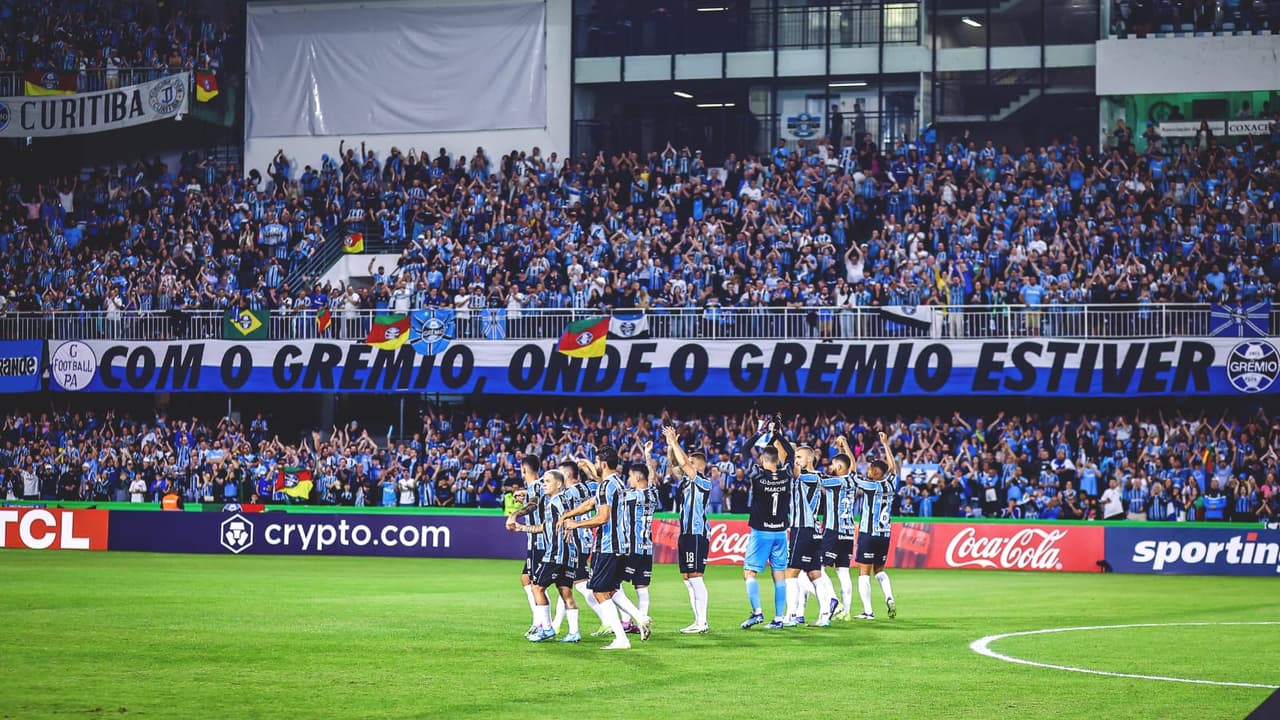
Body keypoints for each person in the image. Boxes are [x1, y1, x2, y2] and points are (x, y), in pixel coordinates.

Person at [560, 447, 650, 650]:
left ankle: (621, 638)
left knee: (599, 591)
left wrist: (575, 524)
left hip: (609, 545)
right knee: (611, 589)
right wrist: (569, 515)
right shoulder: (615, 483)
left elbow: (602, 517)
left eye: (596, 461)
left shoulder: (606, 485)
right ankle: (640, 618)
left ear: (602, 463)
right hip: (622, 544)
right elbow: (591, 503)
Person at [506, 469, 580, 643]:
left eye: (547, 481)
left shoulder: (557, 502)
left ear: (559, 484)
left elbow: (568, 518)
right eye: (543, 481)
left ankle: (546, 628)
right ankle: (574, 632)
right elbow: (545, 527)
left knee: (537, 587)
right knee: (566, 592)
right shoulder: (555, 502)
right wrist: (522, 528)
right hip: (569, 554)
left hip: (556, 553)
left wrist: (571, 525)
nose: (544, 485)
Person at [740, 413, 793, 630]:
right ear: (778, 461)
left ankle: (757, 612)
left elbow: (744, 450)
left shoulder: (757, 476)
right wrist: (778, 435)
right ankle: (779, 617)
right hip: (781, 533)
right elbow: (790, 452)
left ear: (762, 461)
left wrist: (761, 432)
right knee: (779, 574)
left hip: (761, 532)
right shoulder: (787, 474)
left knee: (749, 573)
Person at [784, 444, 840, 627]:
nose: (797, 460)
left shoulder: (810, 477)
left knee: (791, 573)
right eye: (797, 457)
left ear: (809, 459)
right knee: (814, 574)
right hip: (815, 531)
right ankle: (824, 615)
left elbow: (791, 468)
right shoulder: (817, 477)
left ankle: (790, 616)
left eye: (800, 457)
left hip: (802, 529)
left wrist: (787, 451)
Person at [664, 425, 712, 634]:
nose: (687, 465)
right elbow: (674, 463)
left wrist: (675, 442)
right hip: (685, 533)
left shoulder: (703, 481)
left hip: (696, 533)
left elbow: (682, 462)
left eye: (691, 463)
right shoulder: (685, 482)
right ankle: (697, 620)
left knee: (695, 576)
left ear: (699, 466)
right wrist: (669, 445)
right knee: (687, 578)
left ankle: (702, 622)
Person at [850, 431, 898, 620]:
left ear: (874, 472)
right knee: (880, 571)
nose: (867, 470)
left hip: (868, 533)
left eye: (870, 468)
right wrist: (886, 444)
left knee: (863, 573)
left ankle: (868, 611)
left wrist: (846, 450)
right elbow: (892, 468)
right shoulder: (891, 484)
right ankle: (889, 596)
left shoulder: (870, 486)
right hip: (884, 534)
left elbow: (852, 474)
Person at [823, 436, 860, 620]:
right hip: (848, 532)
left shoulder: (834, 482)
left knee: (816, 568)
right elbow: (852, 464)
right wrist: (844, 445)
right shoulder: (853, 480)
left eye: (832, 465)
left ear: (838, 467)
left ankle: (832, 600)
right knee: (843, 571)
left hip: (833, 531)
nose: (830, 468)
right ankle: (846, 611)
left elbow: (815, 480)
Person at [512, 454, 544, 637]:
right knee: (526, 579)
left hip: (540, 542)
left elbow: (534, 504)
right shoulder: (536, 487)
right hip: (534, 542)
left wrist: (516, 513)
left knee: (536, 585)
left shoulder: (537, 487)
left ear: (524, 469)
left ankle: (541, 624)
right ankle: (538, 621)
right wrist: (523, 496)